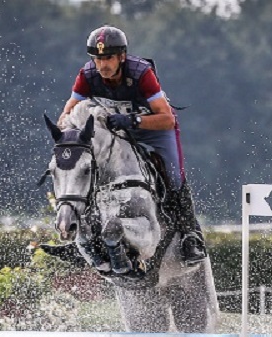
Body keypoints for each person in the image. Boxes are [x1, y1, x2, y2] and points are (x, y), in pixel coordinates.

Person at [58, 25, 207, 265]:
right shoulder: (87, 75)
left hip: (154, 130)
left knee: (174, 176)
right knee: (89, 168)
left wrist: (133, 120)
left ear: (122, 57)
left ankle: (190, 236)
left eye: (108, 58)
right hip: (116, 131)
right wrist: (67, 131)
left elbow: (166, 118)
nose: (102, 65)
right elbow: (68, 111)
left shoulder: (141, 74)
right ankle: (84, 234)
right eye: (97, 59)